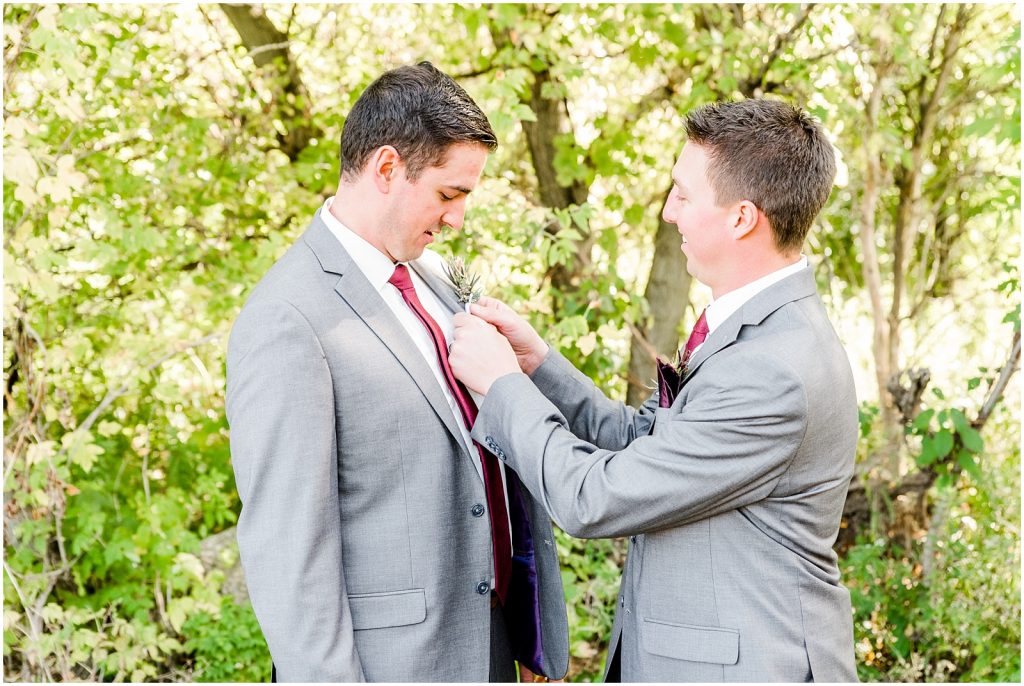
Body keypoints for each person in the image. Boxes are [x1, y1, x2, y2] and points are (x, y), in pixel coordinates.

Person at [449, 98, 859, 681]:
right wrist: (539, 365)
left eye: (684, 195)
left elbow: (598, 499)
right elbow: (646, 440)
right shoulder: (754, 326)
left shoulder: (773, 371)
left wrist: (502, 387)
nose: (669, 213)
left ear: (743, 218)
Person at [226, 61, 568, 683]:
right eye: (448, 193)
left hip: (484, 648)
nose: (458, 218)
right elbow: (288, 552)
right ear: (387, 168)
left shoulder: (433, 283)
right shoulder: (288, 320)